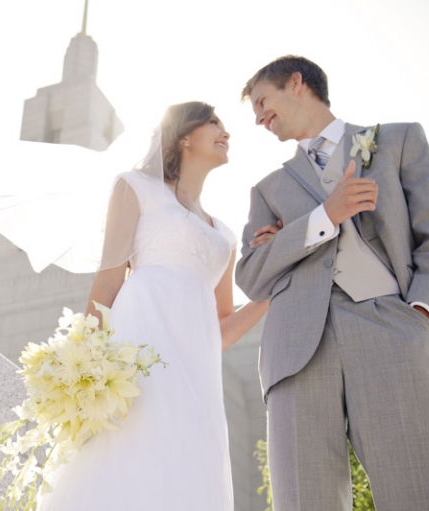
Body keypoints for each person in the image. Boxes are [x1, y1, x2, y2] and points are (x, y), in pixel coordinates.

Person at [235, 55, 429, 510]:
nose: (260, 118)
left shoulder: (398, 140)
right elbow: (251, 275)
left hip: (393, 327)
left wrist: (422, 316)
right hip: (296, 350)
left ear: (297, 83)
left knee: (424, 488)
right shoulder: (267, 189)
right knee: (307, 499)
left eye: (263, 102)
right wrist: (323, 217)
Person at [37, 102, 271, 511]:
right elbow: (109, 278)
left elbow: (222, 328)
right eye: (214, 122)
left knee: (188, 464)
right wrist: (86, 365)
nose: (226, 132)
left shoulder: (226, 238)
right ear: (183, 136)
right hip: (138, 349)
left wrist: (270, 294)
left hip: (196, 368)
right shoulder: (135, 187)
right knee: (131, 451)